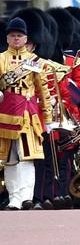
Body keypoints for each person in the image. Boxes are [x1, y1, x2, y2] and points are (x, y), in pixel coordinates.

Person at [0, 16, 52, 210]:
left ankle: (26, 196)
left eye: (19, 35)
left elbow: (43, 90)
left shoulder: (34, 61)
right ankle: (14, 198)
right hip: (7, 114)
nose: (16, 39)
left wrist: (47, 117)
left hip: (29, 116)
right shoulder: (1, 59)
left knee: (28, 157)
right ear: (7, 38)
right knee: (10, 159)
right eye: (13, 35)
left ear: (25, 38)